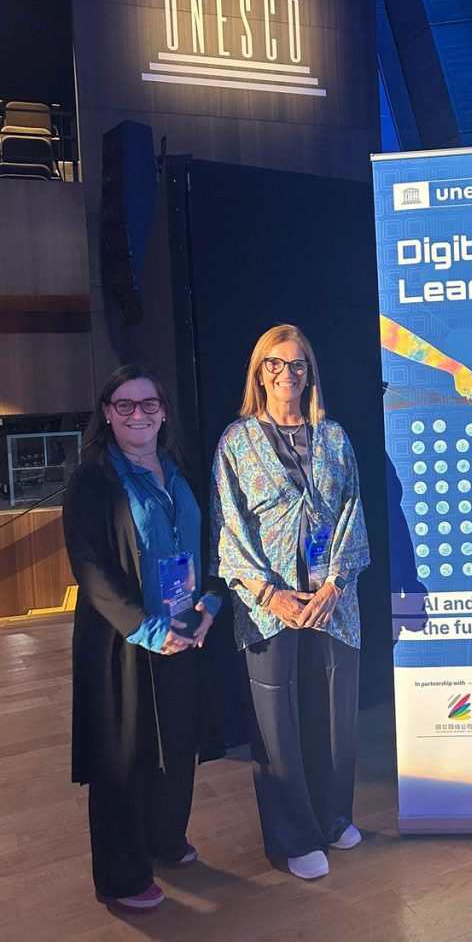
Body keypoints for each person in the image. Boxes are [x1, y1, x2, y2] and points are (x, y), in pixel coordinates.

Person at [210, 324, 370, 880]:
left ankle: (333, 817)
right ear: (260, 373)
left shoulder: (334, 437)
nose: (287, 374)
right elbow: (228, 526)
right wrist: (269, 592)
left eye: (297, 364)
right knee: (276, 722)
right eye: (275, 364)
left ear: (310, 373)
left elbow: (353, 510)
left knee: (333, 712)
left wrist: (334, 585)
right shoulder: (236, 441)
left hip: (331, 600)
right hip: (267, 605)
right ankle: (293, 838)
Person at [63, 365, 222, 914]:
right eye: (125, 405)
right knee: (123, 757)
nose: (139, 414)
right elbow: (90, 567)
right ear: (107, 414)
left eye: (149, 404)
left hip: (185, 629)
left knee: (175, 745)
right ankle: (121, 876)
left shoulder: (181, 470)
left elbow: (211, 543)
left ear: (163, 412)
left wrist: (210, 603)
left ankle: (164, 839)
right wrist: (147, 629)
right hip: (124, 642)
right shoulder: (94, 479)